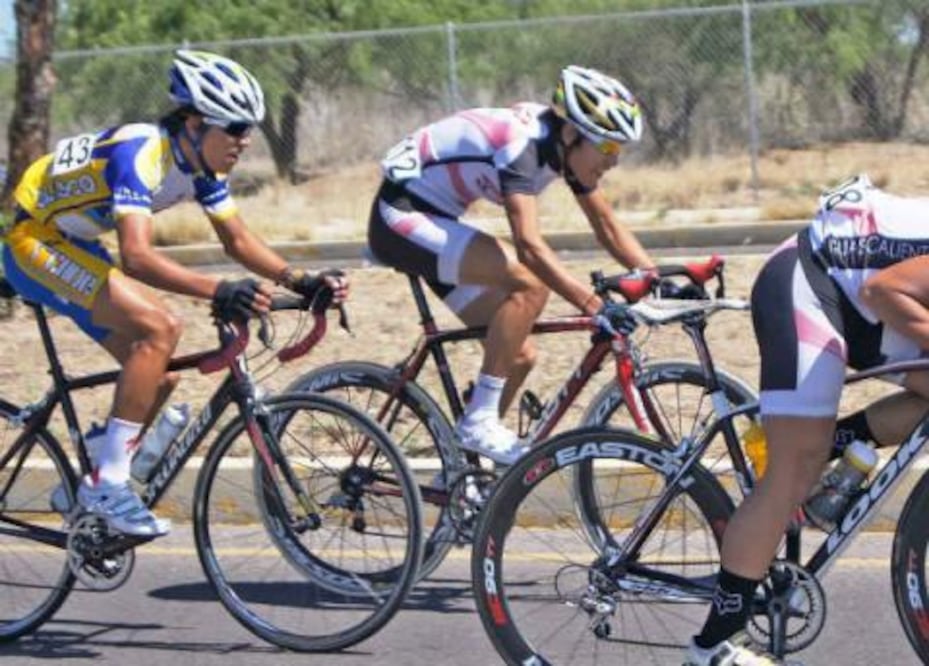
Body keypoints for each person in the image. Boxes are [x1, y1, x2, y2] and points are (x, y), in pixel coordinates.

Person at [1, 50, 348, 537]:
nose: (245, 140)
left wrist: (299, 280)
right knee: (161, 328)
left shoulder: (202, 167)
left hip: (73, 241)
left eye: (248, 128)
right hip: (32, 239)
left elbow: (238, 241)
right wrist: (219, 290)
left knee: (155, 377)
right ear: (193, 123)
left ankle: (88, 483)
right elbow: (137, 256)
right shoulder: (141, 154)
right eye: (234, 127)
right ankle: (110, 487)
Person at [684, 173, 929, 665]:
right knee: (793, 469)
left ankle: (838, 446)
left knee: (816, 449)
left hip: (859, 300)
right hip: (810, 281)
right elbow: (886, 290)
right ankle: (712, 646)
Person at [368, 65, 657, 464]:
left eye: (619, 150)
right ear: (572, 133)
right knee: (530, 284)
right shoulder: (521, 146)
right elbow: (529, 248)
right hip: (400, 217)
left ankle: (463, 475)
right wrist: (595, 307)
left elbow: (606, 226)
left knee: (517, 355)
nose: (614, 161)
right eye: (608, 148)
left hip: (436, 220)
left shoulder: (562, 150)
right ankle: (479, 421)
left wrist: (657, 279)